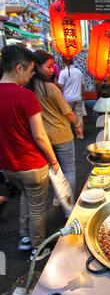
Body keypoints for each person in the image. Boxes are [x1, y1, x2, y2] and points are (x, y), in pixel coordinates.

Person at [0, 45, 60, 260]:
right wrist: (54, 161)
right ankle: (38, 247)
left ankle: (25, 237)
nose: (30, 76)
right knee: (38, 207)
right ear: (18, 68)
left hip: (8, 167)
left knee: (26, 197)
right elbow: (40, 136)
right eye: (29, 70)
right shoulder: (25, 96)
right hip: (32, 165)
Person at [28, 50, 83, 211]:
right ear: (37, 66)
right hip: (62, 134)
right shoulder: (50, 88)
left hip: (43, 136)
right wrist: (78, 124)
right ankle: (69, 207)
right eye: (49, 67)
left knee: (54, 169)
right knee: (69, 170)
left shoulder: (30, 89)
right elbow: (69, 112)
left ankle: (58, 199)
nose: (52, 70)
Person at [58, 56, 85, 139]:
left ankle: (69, 135)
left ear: (63, 62)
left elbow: (60, 86)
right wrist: (82, 95)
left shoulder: (63, 72)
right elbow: (82, 86)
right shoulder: (79, 72)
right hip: (78, 97)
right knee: (79, 116)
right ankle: (80, 135)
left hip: (67, 99)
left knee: (67, 117)